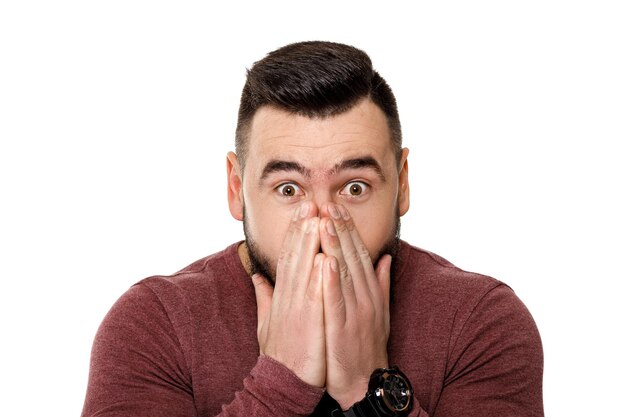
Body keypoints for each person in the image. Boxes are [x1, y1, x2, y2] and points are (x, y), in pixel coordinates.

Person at [81, 41, 544, 417]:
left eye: (355, 187)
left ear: (402, 184)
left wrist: (370, 389)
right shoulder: (154, 325)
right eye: (288, 190)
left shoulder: (481, 322)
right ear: (236, 187)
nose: (322, 221)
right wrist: (281, 381)